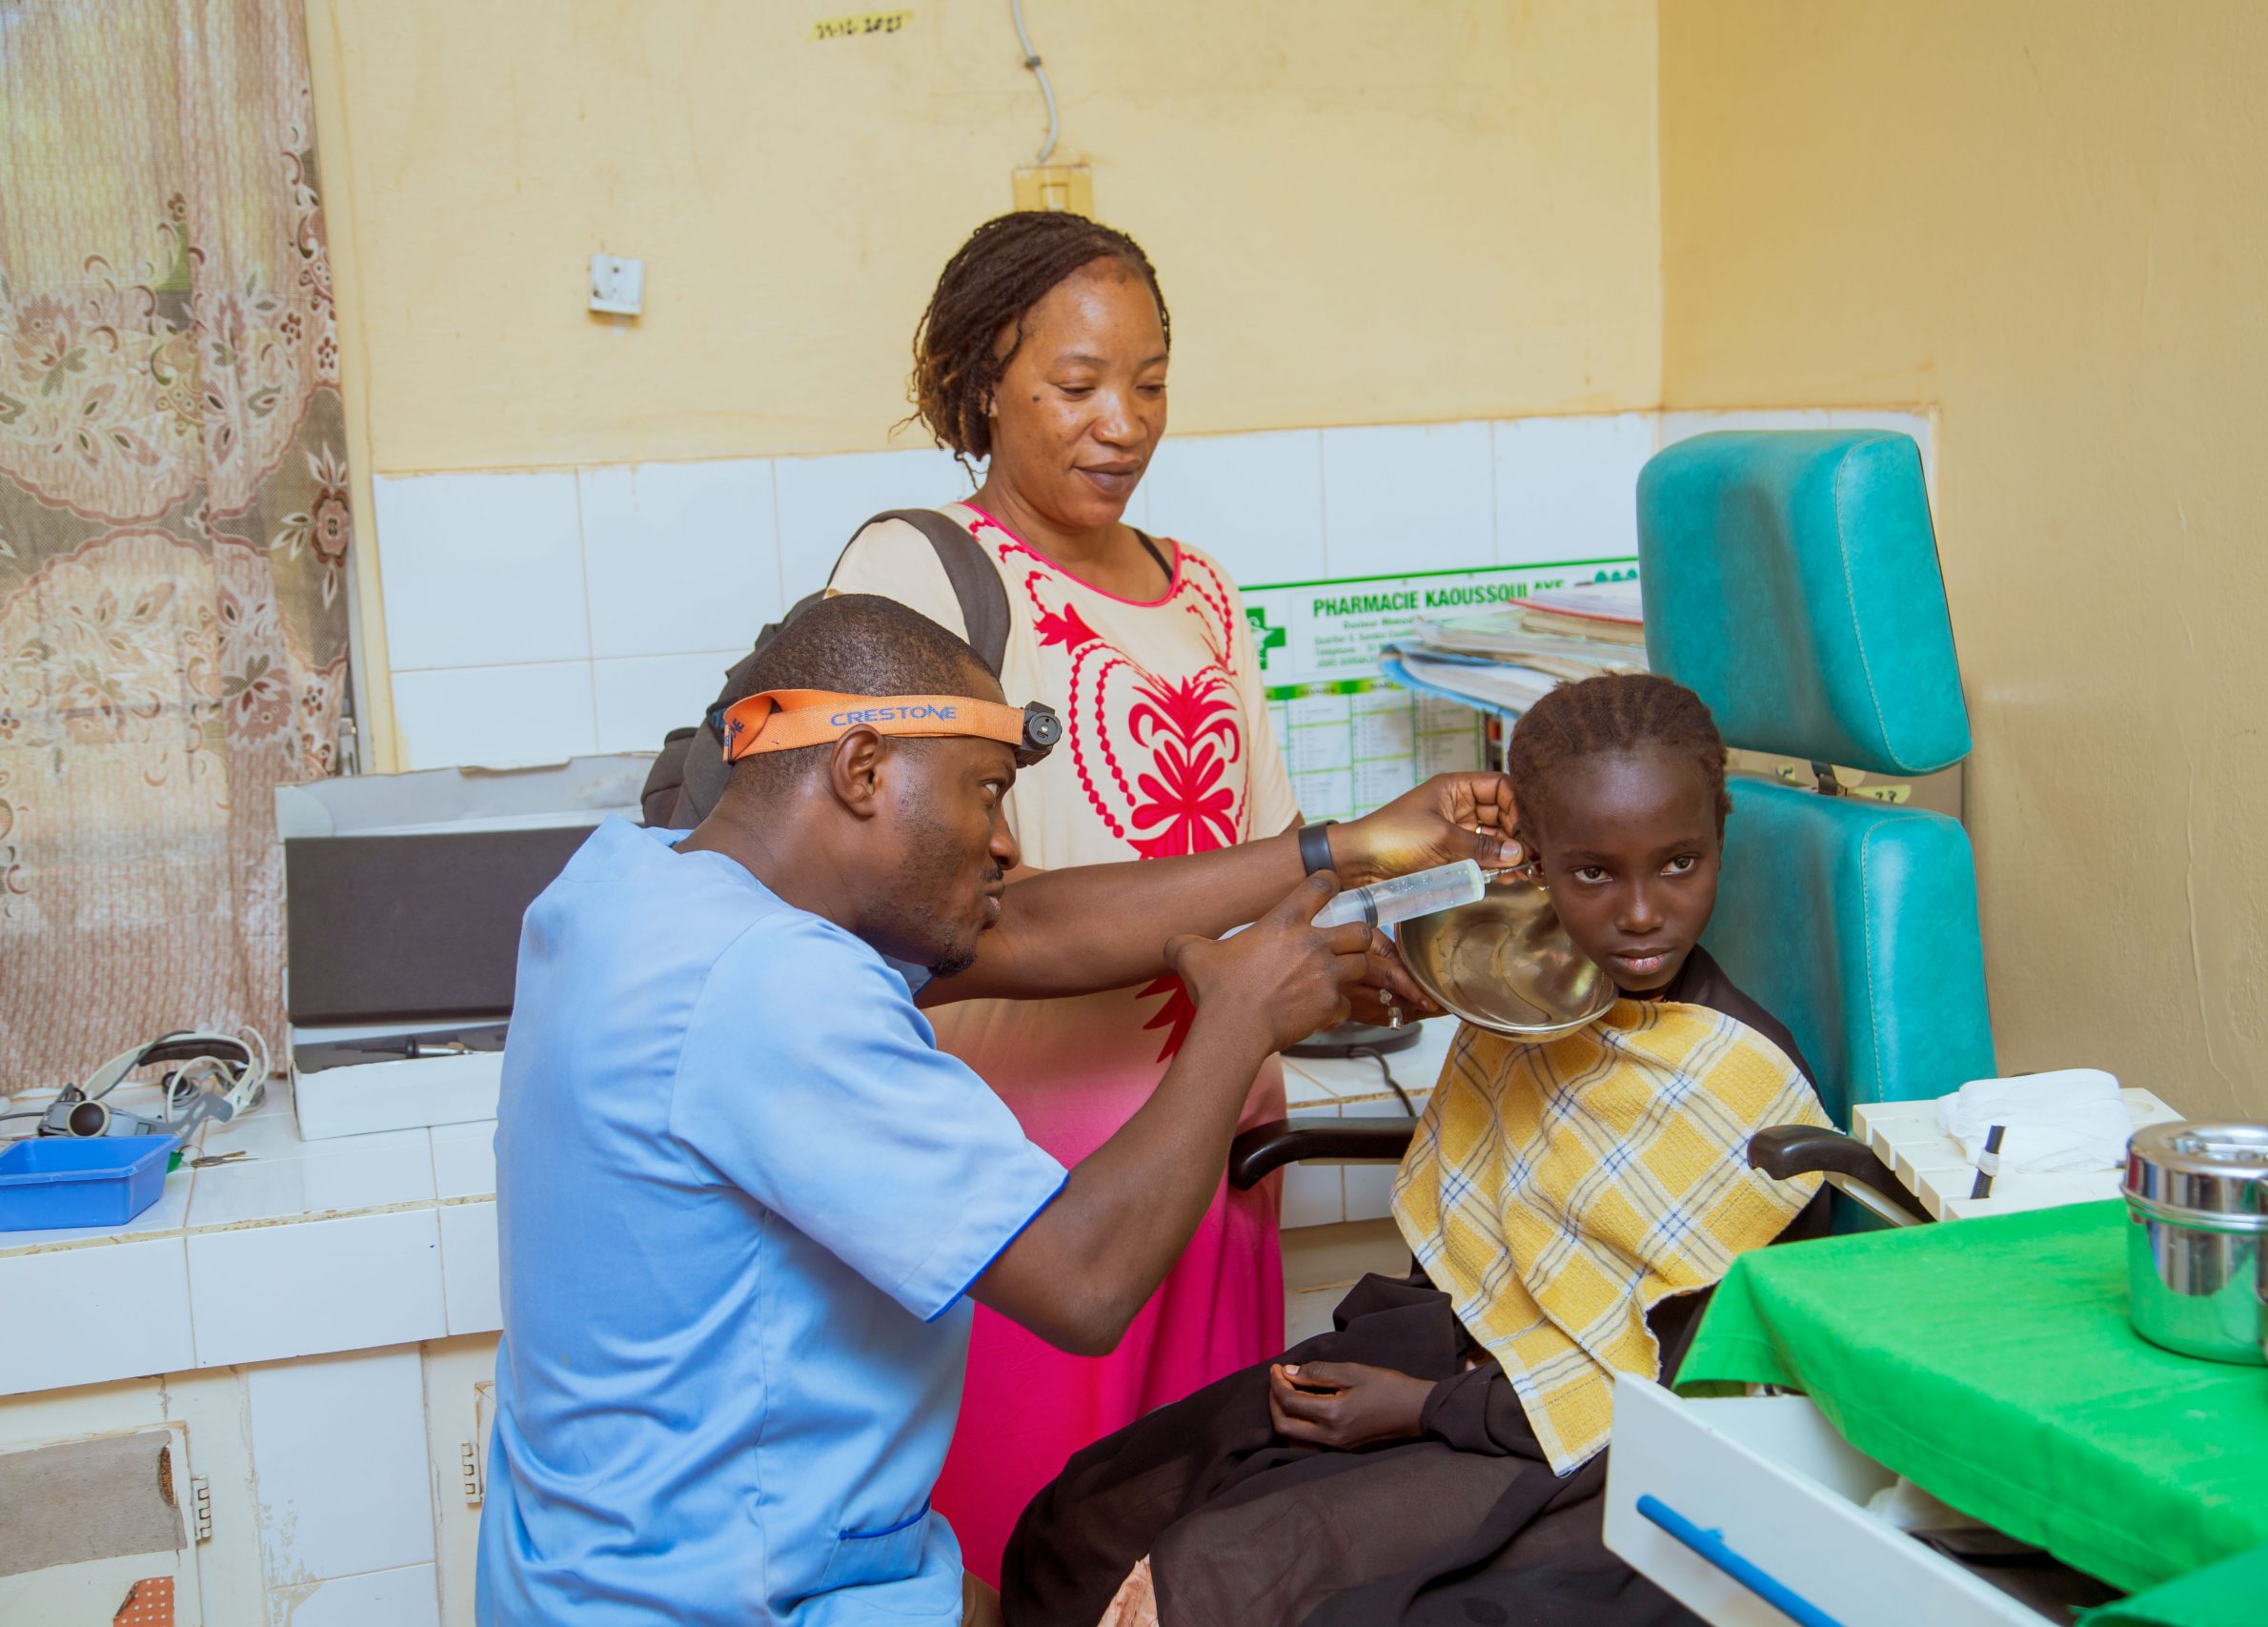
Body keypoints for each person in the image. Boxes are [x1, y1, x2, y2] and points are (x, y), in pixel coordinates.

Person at [476, 593, 1516, 1626]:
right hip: (730, 1600)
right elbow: (1085, 1280)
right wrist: (1238, 1018)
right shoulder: (774, 985)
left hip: (590, 1575)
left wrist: (1344, 848)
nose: (1007, 845)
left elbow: (1027, 929)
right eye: (987, 792)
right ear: (863, 769)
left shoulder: (624, 890)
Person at [999, 673, 1838, 1627]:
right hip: (1464, 1354)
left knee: (1215, 1575)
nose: (1642, 913)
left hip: (1593, 1444)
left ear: (1721, 837)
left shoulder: (1741, 1095)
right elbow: (1496, 1246)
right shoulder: (1535, 1003)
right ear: (1532, 861)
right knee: (1093, 1509)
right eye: (1592, 874)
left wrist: (1421, 1408)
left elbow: (1642, 1388)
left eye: (1679, 863)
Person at [821, 211, 1399, 1576]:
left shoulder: (1202, 591)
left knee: (1188, 1545)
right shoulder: (920, 572)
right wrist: (1306, 886)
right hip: (1030, 1174)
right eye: (1076, 385)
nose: (1122, 424)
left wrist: (1351, 963)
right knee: (1029, 1539)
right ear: (983, 382)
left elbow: (1270, 860)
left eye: (1148, 384)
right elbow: (923, 917)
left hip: (1222, 1136)